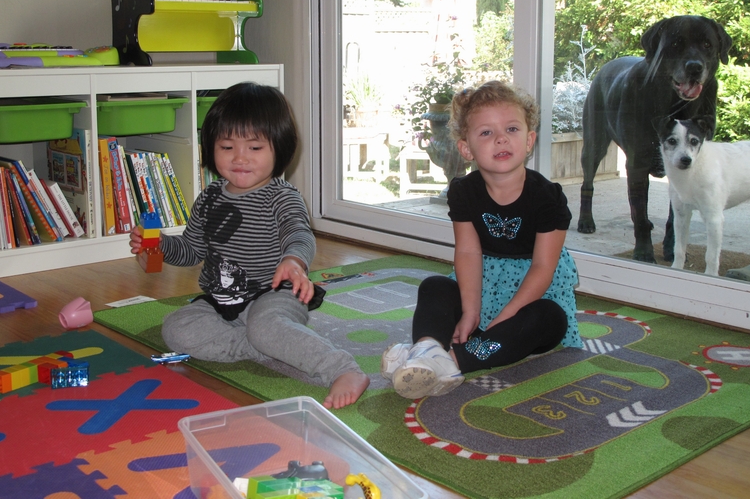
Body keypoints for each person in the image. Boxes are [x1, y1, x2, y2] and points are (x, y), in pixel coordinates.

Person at [129, 82, 369, 409]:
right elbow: (191, 250)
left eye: (255, 147)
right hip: (223, 300)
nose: (240, 157)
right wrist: (159, 246)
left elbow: (299, 233)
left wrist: (294, 261)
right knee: (176, 328)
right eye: (227, 146)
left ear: (279, 148)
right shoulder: (209, 198)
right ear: (211, 147)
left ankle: (341, 368)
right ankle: (266, 346)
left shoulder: (282, 197)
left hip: (275, 295)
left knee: (266, 325)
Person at [381, 80, 583, 399]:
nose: (501, 138)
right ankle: (426, 348)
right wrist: (471, 311)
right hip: (480, 284)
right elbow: (468, 252)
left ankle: (451, 361)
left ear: (529, 140)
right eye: (486, 132)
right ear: (466, 149)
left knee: (548, 319)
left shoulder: (547, 197)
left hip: (532, 293)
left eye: (512, 129)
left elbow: (543, 267)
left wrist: (508, 316)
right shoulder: (464, 191)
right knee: (435, 286)